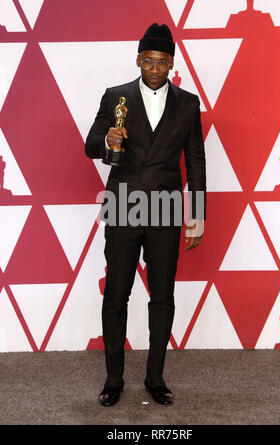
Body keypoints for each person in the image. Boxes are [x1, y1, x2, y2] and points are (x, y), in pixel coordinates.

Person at [85, 23, 206, 406]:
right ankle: (114, 379)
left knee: (163, 295)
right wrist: (108, 140)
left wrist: (198, 213)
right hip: (121, 202)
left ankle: (155, 378)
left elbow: (196, 160)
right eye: (149, 61)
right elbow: (90, 145)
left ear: (172, 63)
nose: (155, 68)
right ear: (139, 60)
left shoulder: (188, 103)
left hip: (166, 206)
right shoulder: (115, 97)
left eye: (163, 62)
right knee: (116, 293)